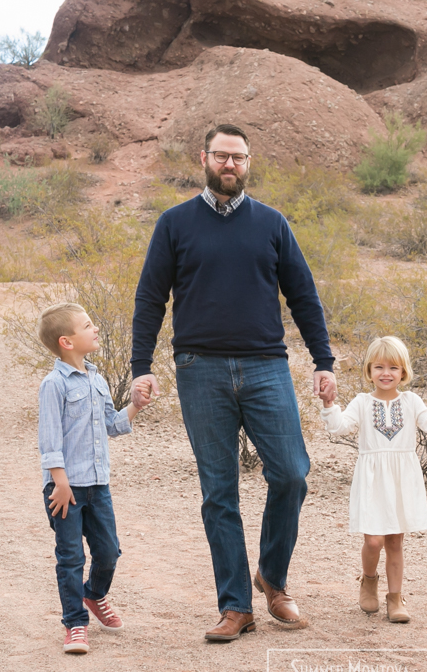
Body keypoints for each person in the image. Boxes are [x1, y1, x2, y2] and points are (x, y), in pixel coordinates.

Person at [130, 123, 338, 643]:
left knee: (291, 474)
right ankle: (235, 606)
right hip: (200, 369)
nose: (230, 165)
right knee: (218, 491)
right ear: (204, 157)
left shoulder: (271, 223)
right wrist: (141, 366)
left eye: (239, 158)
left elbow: (303, 295)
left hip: (266, 365)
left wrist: (323, 359)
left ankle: (272, 576)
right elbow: (150, 299)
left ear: (249, 162)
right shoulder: (175, 223)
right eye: (222, 156)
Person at [321, 336, 427, 624]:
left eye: (393, 368)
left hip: (401, 478)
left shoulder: (411, 401)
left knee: (394, 541)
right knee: (373, 541)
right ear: (369, 370)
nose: (386, 373)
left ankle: (395, 598)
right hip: (372, 478)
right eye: (379, 367)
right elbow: (339, 428)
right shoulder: (361, 402)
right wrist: (330, 406)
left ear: (403, 372)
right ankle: (369, 580)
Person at [36, 302, 145, 655]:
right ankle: (75, 623)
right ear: (67, 342)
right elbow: (50, 439)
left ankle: (93, 594)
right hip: (65, 487)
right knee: (70, 557)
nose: (95, 329)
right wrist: (60, 481)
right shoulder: (53, 385)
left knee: (108, 552)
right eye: (87, 326)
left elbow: (113, 425)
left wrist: (135, 406)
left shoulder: (97, 379)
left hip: (98, 485)